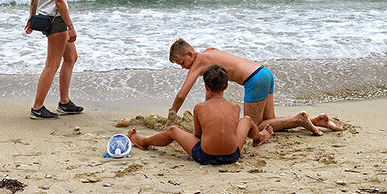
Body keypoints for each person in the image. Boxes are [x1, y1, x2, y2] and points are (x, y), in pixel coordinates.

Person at [168, 40, 342, 135]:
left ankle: (299, 119)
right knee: (270, 123)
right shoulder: (210, 51)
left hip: (254, 80)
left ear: (190, 54)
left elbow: (182, 95)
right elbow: (212, 86)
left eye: (182, 63)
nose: (183, 67)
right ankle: (317, 121)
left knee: (251, 126)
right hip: (263, 72)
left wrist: (172, 114)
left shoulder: (198, 62)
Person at [128, 66, 272, 164]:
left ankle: (144, 142)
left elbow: (198, 135)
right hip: (232, 156)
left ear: (206, 87)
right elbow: (231, 130)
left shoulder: (200, 107)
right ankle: (259, 137)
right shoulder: (235, 107)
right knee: (246, 120)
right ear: (227, 86)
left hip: (205, 156)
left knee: (173, 130)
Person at [24, 0, 83, 119]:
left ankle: (64, 102)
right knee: (52, 65)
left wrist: (31, 16)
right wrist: (71, 26)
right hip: (56, 21)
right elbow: (59, 1)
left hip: (51, 18)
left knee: (71, 57)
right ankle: (37, 108)